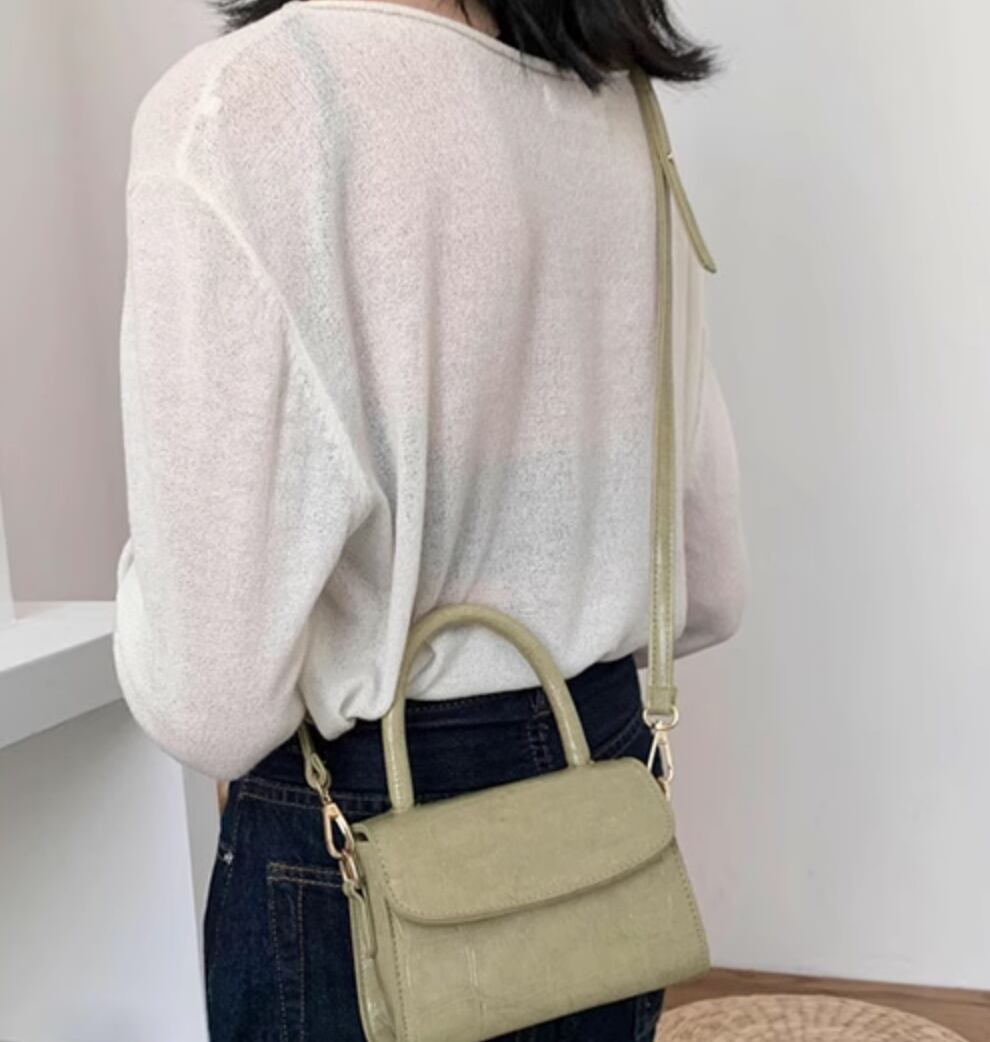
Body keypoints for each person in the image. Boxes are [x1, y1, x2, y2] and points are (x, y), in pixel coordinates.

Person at [112, 0, 749, 1038]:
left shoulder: (234, 111)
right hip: (601, 795)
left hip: (358, 831)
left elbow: (210, 702)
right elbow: (711, 584)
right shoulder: (620, 106)